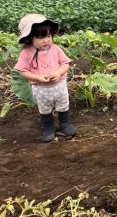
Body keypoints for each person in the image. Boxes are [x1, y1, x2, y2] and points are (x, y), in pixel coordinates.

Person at [14, 14, 77, 142]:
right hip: (40, 88)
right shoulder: (26, 53)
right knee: (44, 108)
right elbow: (23, 71)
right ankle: (48, 128)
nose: (46, 40)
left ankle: (65, 123)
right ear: (29, 38)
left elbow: (66, 63)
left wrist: (59, 72)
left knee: (63, 105)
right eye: (41, 37)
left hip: (59, 86)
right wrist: (38, 78)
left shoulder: (55, 49)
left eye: (48, 36)